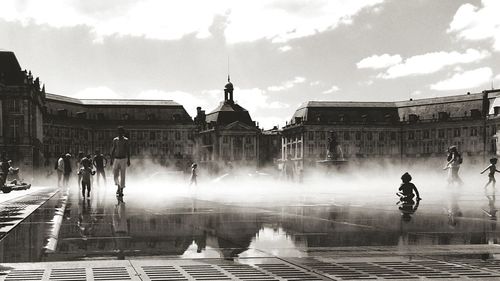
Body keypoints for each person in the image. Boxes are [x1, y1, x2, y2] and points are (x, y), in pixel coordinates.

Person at [111, 127, 130, 196]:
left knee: (123, 175)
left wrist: (128, 160)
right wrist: (111, 159)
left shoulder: (126, 140)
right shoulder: (115, 140)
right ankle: (118, 186)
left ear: (123, 133)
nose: (119, 133)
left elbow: (127, 150)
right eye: (118, 132)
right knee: (115, 174)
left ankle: (121, 189)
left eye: (121, 132)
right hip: (116, 158)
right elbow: (113, 149)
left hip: (123, 159)